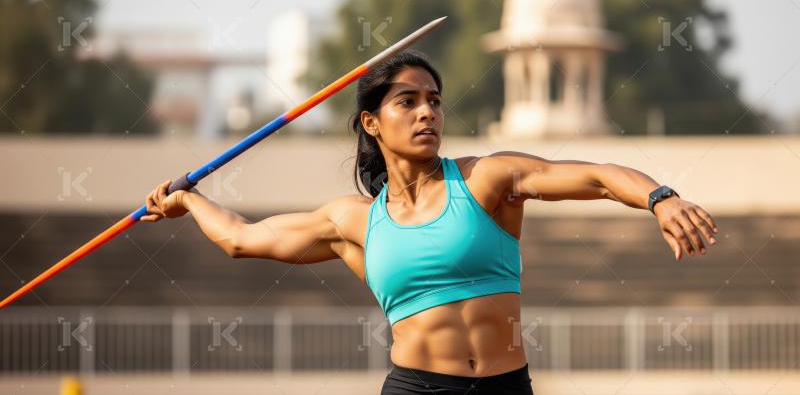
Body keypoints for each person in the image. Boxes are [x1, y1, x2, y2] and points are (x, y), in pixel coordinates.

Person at [142, 50, 719, 394]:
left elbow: (593, 174)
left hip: (506, 388)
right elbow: (242, 239)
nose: (427, 112)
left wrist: (660, 198)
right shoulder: (352, 221)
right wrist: (188, 201)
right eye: (408, 101)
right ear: (371, 122)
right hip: (417, 389)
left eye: (435, 101)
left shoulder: (488, 180)